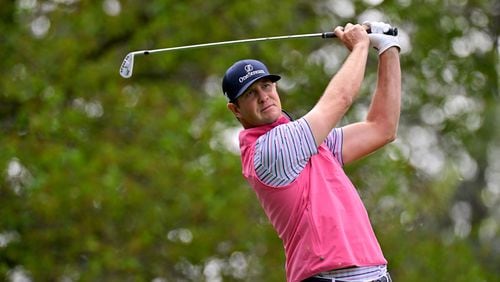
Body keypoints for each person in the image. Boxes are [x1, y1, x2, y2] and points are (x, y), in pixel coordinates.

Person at [221, 21, 401, 282]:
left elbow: (382, 128)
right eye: (250, 93)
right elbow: (340, 100)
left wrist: (388, 49)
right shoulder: (272, 150)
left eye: (267, 86)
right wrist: (360, 46)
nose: (264, 97)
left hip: (374, 275)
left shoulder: (312, 144)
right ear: (235, 110)